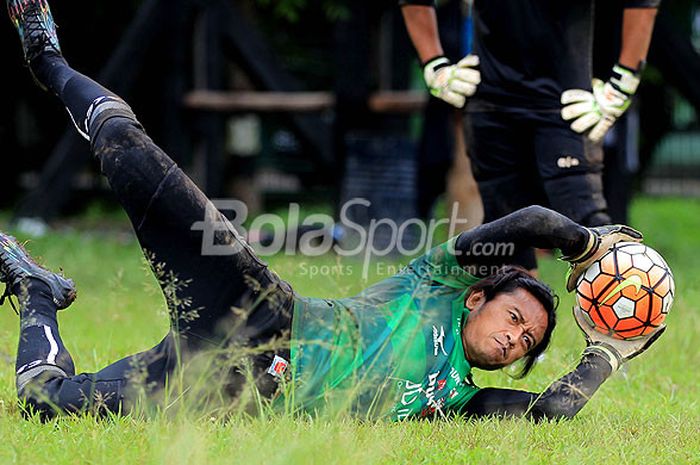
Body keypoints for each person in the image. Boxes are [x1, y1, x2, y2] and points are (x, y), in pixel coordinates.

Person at [2, 0, 665, 421]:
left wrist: (606, 350)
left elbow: (549, 414)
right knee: (130, 151)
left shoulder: (460, 401)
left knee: (43, 402)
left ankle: (34, 291)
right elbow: (527, 223)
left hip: (221, 389)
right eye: (515, 317)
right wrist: (590, 246)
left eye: (525, 343)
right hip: (262, 313)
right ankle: (50, 58)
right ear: (477, 297)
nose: (513, 338)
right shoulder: (433, 283)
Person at [400, 0, 661, 271]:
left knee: (590, 228)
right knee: (506, 237)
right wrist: (433, 63)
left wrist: (624, 81)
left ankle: (631, 310)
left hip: (567, 103)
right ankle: (522, 311)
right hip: (491, 102)